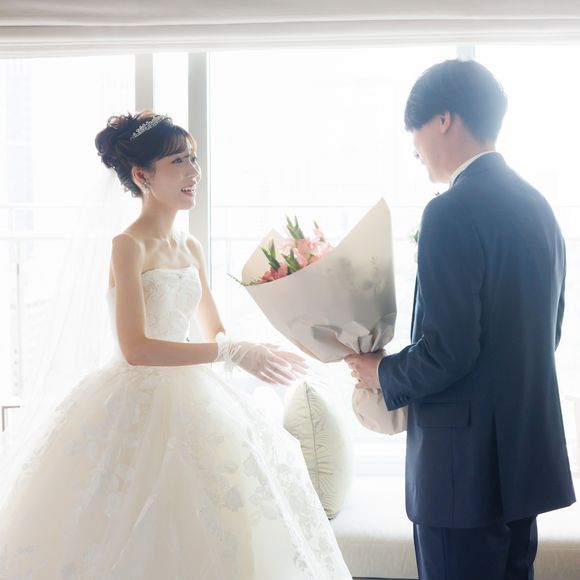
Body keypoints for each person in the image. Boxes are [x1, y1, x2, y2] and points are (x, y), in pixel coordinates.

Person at [0, 111, 353, 579]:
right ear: (142, 176)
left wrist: (256, 345)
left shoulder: (190, 248)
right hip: (132, 401)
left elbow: (214, 332)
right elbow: (136, 349)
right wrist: (231, 352)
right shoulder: (127, 245)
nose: (193, 172)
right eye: (178, 162)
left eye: (193, 159)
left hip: (196, 395)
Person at [346, 59, 576, 580]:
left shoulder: (449, 210)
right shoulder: (539, 207)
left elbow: (449, 349)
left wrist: (380, 371)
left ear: (443, 119)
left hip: (461, 474)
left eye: (416, 131)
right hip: (521, 463)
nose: (415, 148)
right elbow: (550, 332)